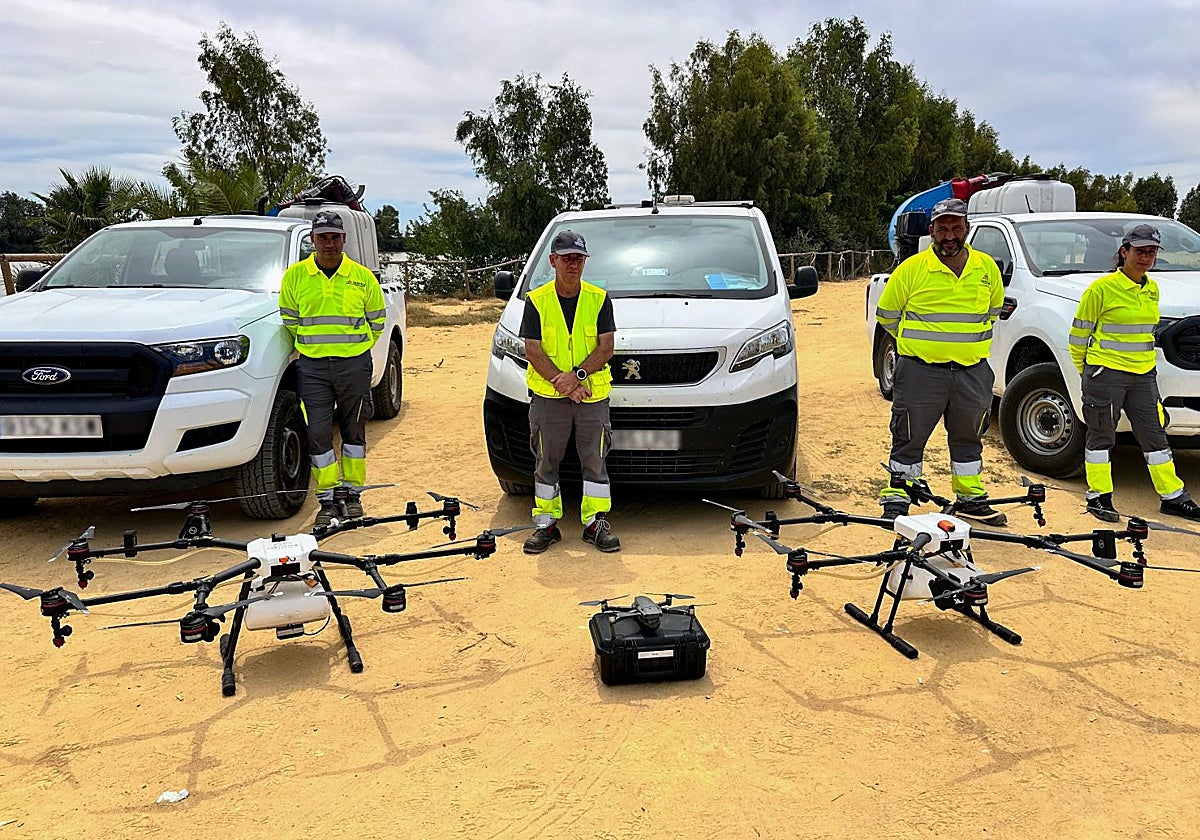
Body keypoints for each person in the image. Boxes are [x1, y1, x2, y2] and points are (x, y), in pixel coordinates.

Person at [875, 198, 1008, 526]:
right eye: (943, 228)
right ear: (932, 230)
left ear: (967, 228)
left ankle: (969, 497)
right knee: (908, 436)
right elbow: (888, 317)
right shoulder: (911, 269)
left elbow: (992, 313)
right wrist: (922, 347)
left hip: (972, 373)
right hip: (921, 373)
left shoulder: (986, 268)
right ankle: (899, 495)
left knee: (969, 437)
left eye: (956, 227)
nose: (950, 235)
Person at [1069, 223, 1200, 523]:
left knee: (1155, 435)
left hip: (1143, 377)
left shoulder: (1151, 288)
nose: (1145, 257)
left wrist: (1148, 372)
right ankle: (1099, 496)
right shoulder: (1100, 290)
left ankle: (1172, 496)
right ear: (1124, 252)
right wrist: (1090, 373)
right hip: (1106, 374)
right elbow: (1078, 338)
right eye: (1140, 251)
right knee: (1102, 436)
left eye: (1151, 252)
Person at [279, 210, 386, 527]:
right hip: (312, 368)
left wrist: (351, 347)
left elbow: (377, 321)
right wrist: (315, 346)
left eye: (334, 237)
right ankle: (327, 499)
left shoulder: (362, 277)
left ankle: (353, 496)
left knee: (354, 430)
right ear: (312, 239)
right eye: (322, 237)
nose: (329, 243)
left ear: (344, 239)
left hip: (353, 366)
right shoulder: (295, 277)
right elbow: (289, 318)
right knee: (318, 433)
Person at [519, 230, 619, 553]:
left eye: (579, 258)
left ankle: (594, 523)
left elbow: (606, 348)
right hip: (549, 398)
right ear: (553, 261)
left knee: (594, 459)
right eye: (567, 258)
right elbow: (532, 350)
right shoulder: (536, 301)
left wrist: (575, 377)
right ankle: (546, 524)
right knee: (547, 459)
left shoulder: (599, 299)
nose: (573, 264)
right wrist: (561, 383)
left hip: (590, 393)